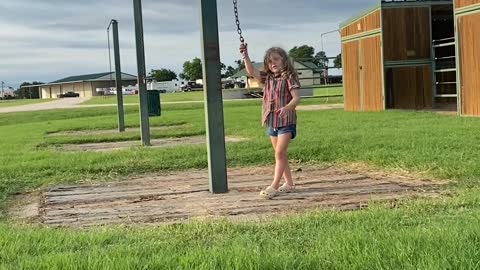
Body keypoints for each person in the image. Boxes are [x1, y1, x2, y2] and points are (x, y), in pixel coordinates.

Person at [240, 43, 301, 199]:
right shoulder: (267, 78)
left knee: (280, 153)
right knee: (279, 154)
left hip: (286, 120)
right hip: (271, 120)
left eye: (276, 60)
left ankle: (274, 185)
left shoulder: (289, 77)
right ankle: (289, 183)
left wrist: (288, 107)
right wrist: (245, 55)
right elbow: (251, 71)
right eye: (269, 61)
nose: (273, 63)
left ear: (284, 60)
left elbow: (296, 98)